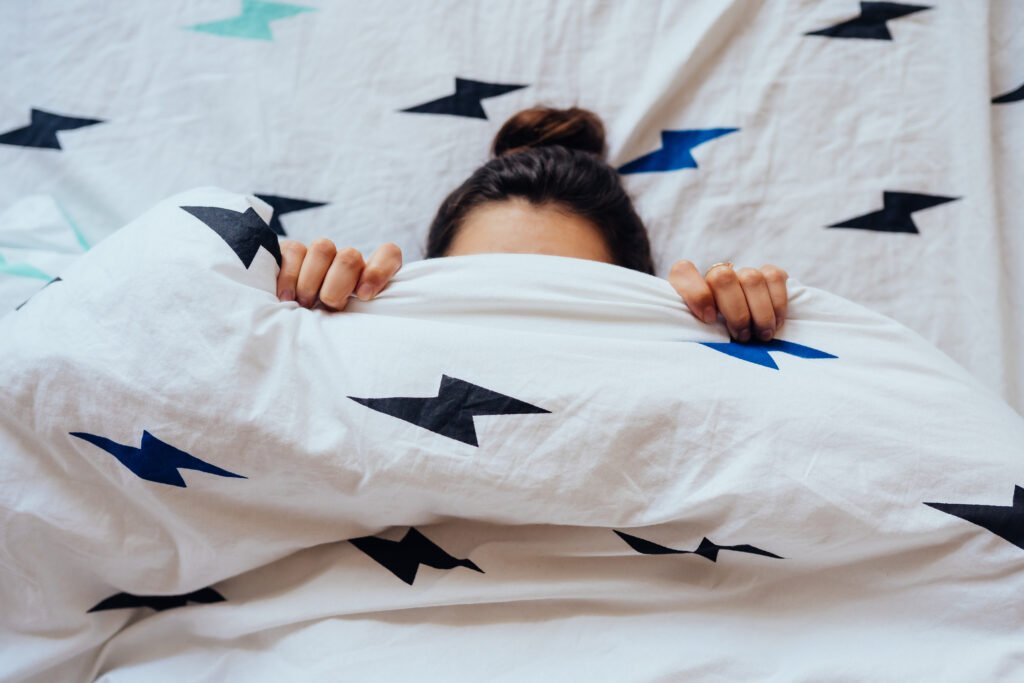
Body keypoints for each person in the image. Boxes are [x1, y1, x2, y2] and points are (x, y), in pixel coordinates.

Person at [275, 106, 789, 343]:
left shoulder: (694, 359)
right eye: (480, 284)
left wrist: (740, 330)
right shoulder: (349, 340)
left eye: (564, 290)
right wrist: (293, 307)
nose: (517, 312)